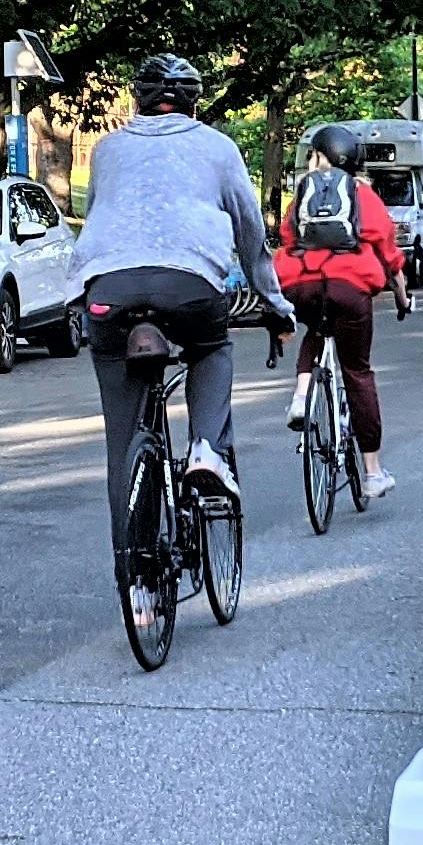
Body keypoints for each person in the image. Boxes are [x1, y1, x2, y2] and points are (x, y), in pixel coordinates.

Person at [75, 53, 286, 572]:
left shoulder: (107, 149)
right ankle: (206, 450)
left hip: (108, 289)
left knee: (121, 442)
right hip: (190, 285)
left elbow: (98, 217)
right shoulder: (217, 147)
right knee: (211, 349)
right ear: (195, 100)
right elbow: (251, 234)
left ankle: (135, 573)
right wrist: (274, 303)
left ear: (138, 98)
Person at [272, 121, 402, 498]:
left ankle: (301, 395)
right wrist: (401, 295)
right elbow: (387, 250)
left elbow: (286, 234)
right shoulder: (364, 196)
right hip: (350, 288)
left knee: (315, 329)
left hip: (302, 283)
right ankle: (373, 472)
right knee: (357, 372)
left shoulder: (304, 193)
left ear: (320, 157)